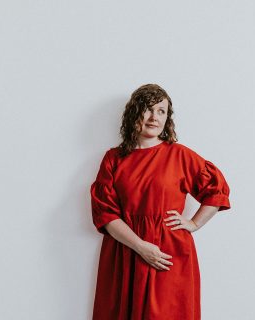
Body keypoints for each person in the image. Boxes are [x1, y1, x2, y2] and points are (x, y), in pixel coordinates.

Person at [90, 84, 232, 320]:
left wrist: (194, 223)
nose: (154, 117)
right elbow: (105, 213)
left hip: (169, 252)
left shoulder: (180, 155)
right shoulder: (113, 159)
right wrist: (140, 246)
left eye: (161, 111)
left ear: (167, 118)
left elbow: (216, 191)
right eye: (147, 109)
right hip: (126, 248)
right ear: (134, 112)